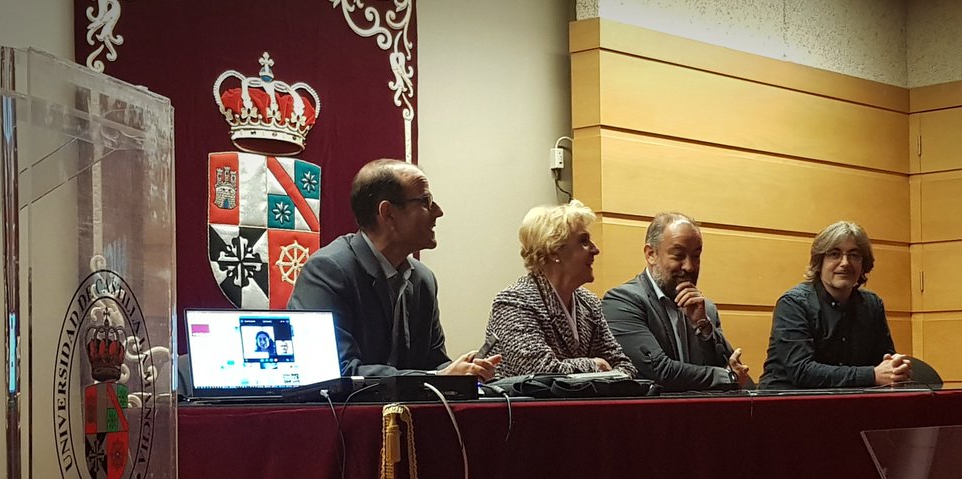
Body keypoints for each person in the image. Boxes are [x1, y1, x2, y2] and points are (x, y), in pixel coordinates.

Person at [287, 158, 501, 380]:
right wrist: (439, 377)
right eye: (426, 201)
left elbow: (433, 362)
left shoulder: (423, 279)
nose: (438, 212)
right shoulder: (327, 271)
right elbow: (337, 372)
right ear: (388, 213)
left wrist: (465, 372)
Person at [486, 200, 637, 379]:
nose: (595, 250)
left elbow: (625, 367)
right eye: (584, 241)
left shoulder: (590, 303)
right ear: (554, 251)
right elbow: (540, 372)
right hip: (524, 407)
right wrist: (595, 364)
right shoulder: (514, 303)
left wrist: (589, 369)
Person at [601, 212, 749, 390]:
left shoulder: (706, 309)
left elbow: (734, 367)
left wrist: (704, 326)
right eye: (679, 255)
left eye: (696, 256)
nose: (689, 266)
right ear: (651, 254)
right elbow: (659, 370)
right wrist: (726, 377)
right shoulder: (622, 301)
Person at [759, 220, 911, 389]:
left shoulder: (872, 305)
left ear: (863, 264)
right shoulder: (793, 303)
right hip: (787, 404)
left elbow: (883, 362)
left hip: (848, 403)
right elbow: (802, 371)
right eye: (834, 254)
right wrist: (871, 375)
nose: (845, 263)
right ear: (819, 262)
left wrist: (895, 369)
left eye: (854, 255)